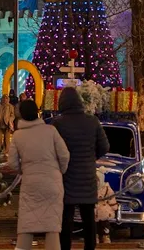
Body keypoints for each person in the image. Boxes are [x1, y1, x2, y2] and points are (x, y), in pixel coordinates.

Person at [8, 99, 70, 250]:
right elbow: (64, 155)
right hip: (52, 182)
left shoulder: (18, 135)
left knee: (27, 224)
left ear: (21, 114)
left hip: (30, 183)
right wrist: (59, 171)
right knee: (52, 225)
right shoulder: (50, 131)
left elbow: (12, 162)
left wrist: (24, 170)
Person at [53, 87, 109, 250]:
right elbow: (105, 146)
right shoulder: (92, 121)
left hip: (66, 176)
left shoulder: (58, 123)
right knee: (89, 218)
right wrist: (91, 157)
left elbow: (52, 149)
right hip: (87, 176)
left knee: (66, 218)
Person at [95, 171, 118, 244]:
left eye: (97, 180)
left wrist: (114, 207)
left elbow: (111, 198)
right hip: (94, 208)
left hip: (104, 208)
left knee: (105, 224)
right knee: (93, 224)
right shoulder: (90, 187)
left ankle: (106, 236)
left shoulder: (106, 188)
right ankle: (95, 236)